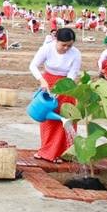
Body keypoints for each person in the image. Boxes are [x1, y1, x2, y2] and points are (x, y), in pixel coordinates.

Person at [29, 28, 82, 163]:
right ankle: (47, 151)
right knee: (49, 120)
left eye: (69, 45)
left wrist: (63, 88)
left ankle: (63, 153)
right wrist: (42, 80)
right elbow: (33, 66)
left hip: (67, 87)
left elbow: (73, 73)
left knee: (65, 118)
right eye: (63, 45)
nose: (66, 48)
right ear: (56, 40)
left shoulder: (76, 53)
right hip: (48, 84)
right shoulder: (47, 48)